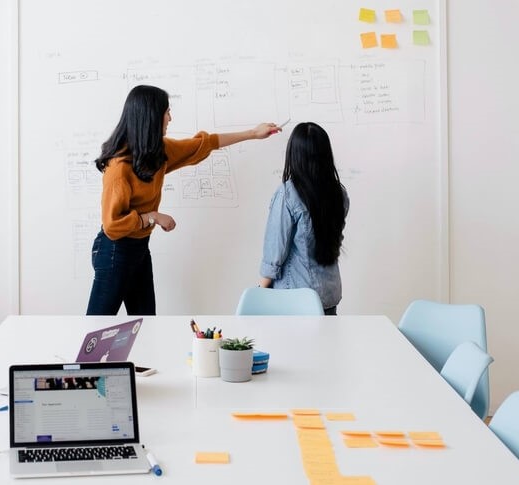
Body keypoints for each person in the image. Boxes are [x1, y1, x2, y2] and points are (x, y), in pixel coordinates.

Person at [87, 85, 280, 316]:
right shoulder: (119, 168)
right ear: (150, 116)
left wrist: (253, 133)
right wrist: (152, 217)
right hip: (113, 250)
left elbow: (204, 144)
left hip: (139, 248)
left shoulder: (157, 152)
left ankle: (143, 354)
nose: (170, 118)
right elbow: (112, 226)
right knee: (98, 328)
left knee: (146, 323)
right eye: (166, 112)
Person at [258, 122, 349, 315]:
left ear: (294, 154)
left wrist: (259, 293)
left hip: (294, 298)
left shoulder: (287, 194)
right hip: (329, 295)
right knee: (324, 345)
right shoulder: (338, 193)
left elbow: (274, 255)